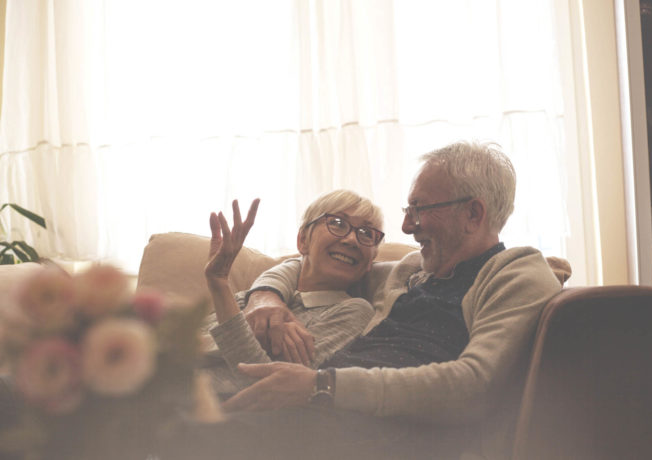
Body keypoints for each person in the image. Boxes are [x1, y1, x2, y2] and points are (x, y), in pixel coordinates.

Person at [165, 140, 564, 460]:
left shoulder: (516, 272)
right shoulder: (412, 269)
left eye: (419, 209)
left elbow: (474, 385)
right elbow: (314, 268)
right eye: (408, 211)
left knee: (184, 436)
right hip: (322, 411)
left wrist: (322, 386)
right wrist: (263, 295)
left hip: (386, 431)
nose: (407, 226)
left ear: (474, 214)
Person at [202, 190, 385, 394]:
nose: (352, 240)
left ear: (370, 262)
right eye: (338, 223)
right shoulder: (250, 297)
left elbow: (270, 389)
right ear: (303, 241)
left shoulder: (353, 312)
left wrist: (219, 283)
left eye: (367, 234)